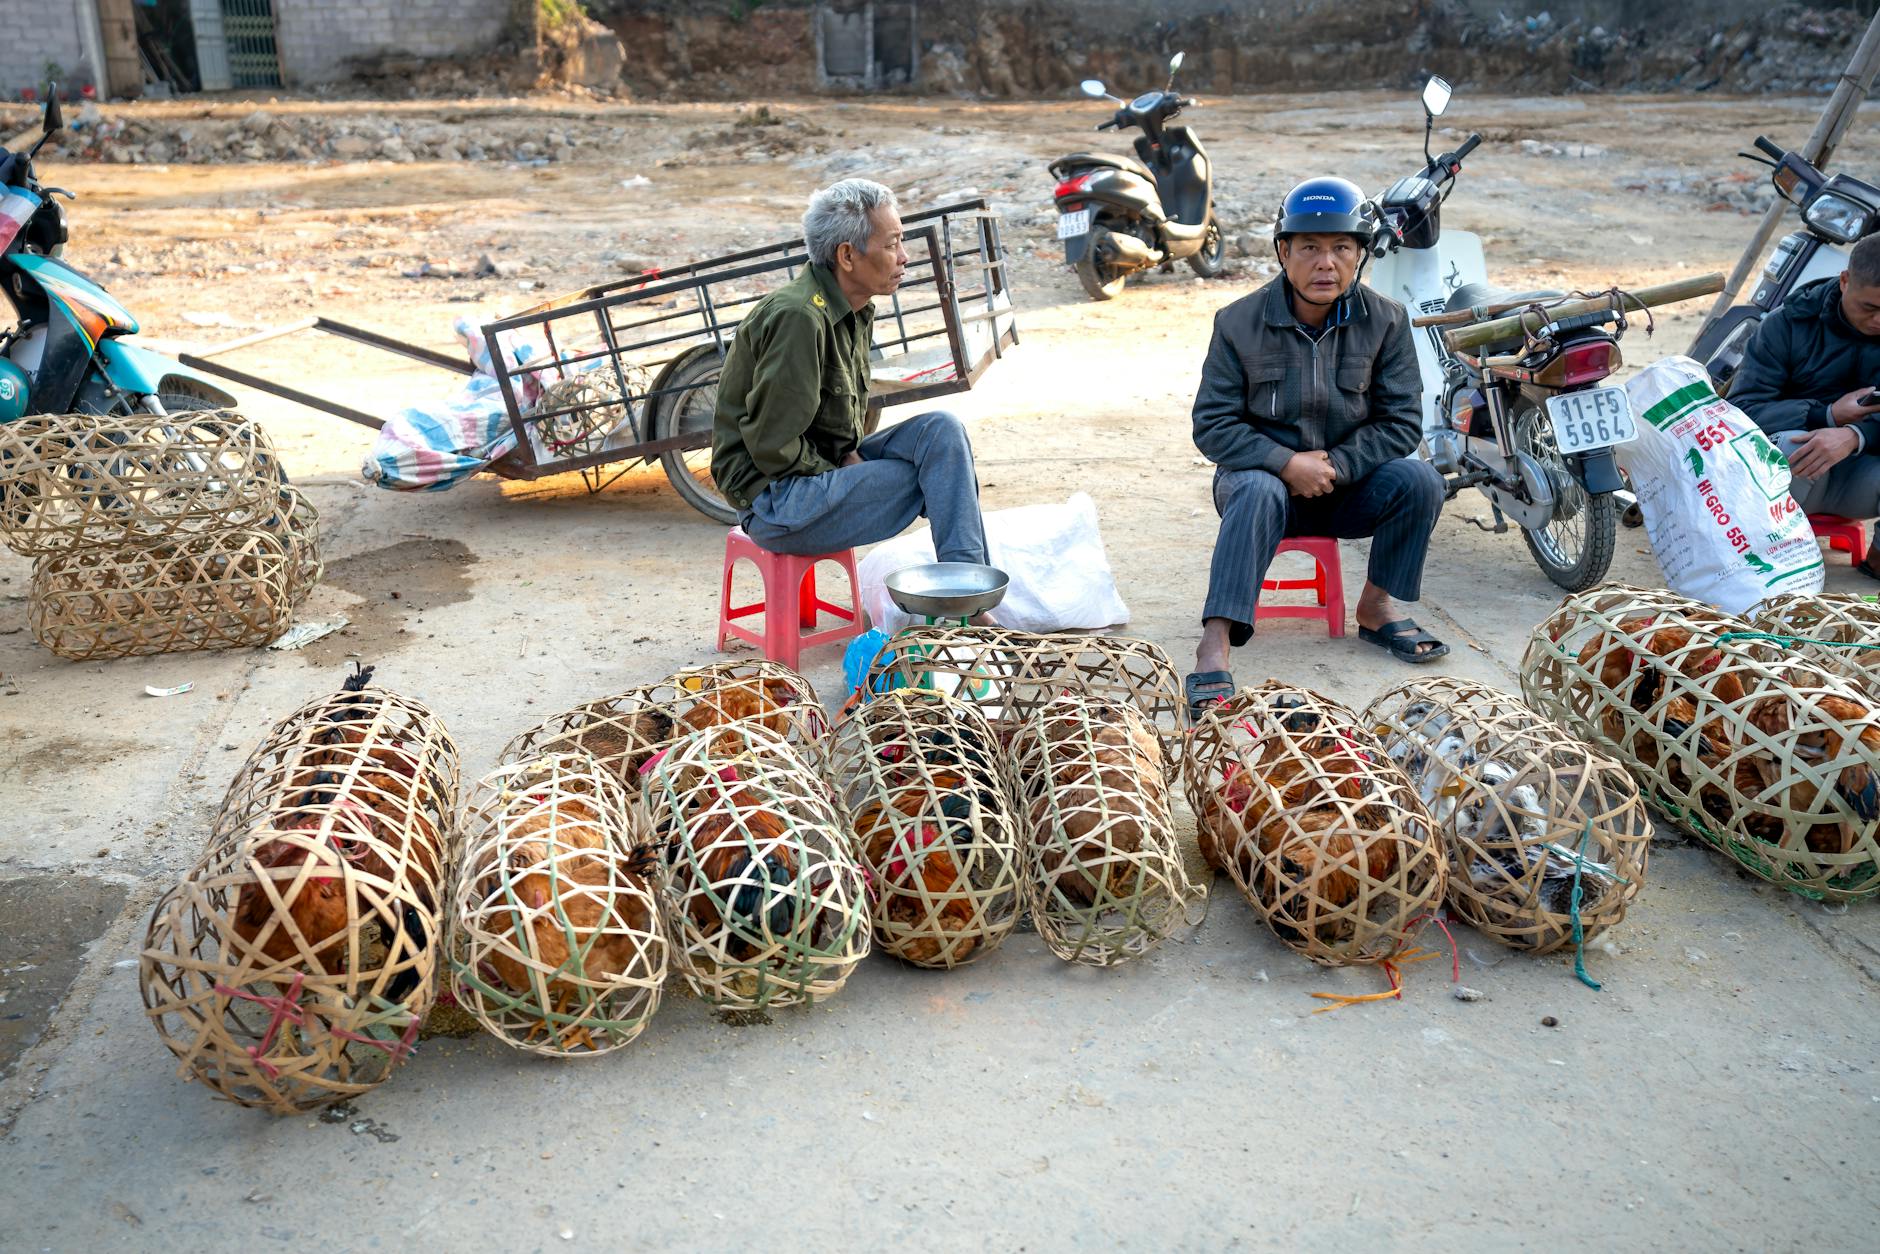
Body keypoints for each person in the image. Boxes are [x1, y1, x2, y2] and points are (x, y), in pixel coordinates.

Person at [1184, 175, 1447, 718]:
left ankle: (1375, 608)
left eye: (1341, 248)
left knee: (1420, 479)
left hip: (1344, 488)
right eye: (1309, 247)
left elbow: (1401, 423)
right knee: (1256, 487)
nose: (1325, 263)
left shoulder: (1388, 322)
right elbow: (1212, 425)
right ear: (1283, 252)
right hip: (1259, 491)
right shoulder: (1237, 323)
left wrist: (1336, 465)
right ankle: (1214, 642)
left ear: (1361, 255)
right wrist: (1285, 463)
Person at [710, 178, 991, 583]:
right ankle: (965, 590)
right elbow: (772, 444)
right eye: (892, 244)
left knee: (942, 433)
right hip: (777, 501)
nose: (904, 258)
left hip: (821, 470)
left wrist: (845, 459)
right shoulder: (801, 319)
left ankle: (966, 584)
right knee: (935, 476)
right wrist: (841, 465)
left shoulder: (854, 310)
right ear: (847, 255)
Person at [1730, 232, 1880, 579]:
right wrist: (1824, 415)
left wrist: (1854, 435)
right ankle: (1771, 560)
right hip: (1789, 481)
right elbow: (1741, 410)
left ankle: (1876, 561)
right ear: (1845, 281)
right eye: (1869, 308)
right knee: (1795, 441)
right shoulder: (1787, 324)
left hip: (1862, 477)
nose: (1878, 321)